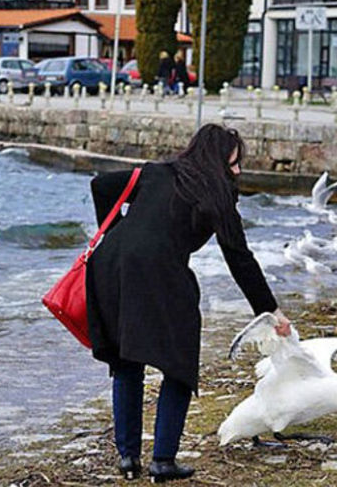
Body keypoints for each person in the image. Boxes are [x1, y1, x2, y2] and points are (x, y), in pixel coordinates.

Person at [86, 124, 291, 482]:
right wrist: (271, 311)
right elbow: (239, 259)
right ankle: (162, 461)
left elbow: (100, 184)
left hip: (111, 267)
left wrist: (114, 231)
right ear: (217, 163)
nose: (238, 171)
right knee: (178, 366)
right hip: (159, 272)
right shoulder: (217, 196)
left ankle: (128, 459)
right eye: (234, 164)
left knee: (126, 362)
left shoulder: (155, 172)